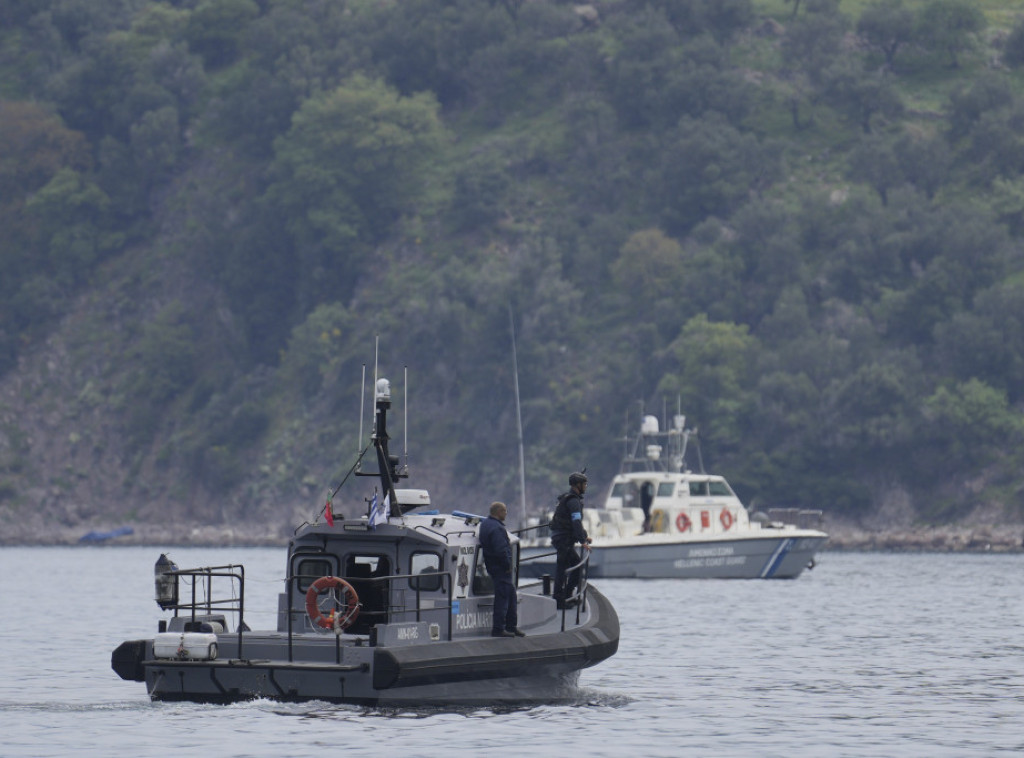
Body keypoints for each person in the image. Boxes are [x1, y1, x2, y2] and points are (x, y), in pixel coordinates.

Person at [478, 501, 524, 637]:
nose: (506, 513)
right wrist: (507, 566)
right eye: (504, 511)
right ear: (498, 512)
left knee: (511, 594)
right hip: (500, 568)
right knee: (502, 597)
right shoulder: (497, 528)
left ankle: (511, 626)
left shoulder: (485, 524)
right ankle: (498, 629)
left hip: (492, 566)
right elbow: (500, 550)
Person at [550, 472, 592, 609]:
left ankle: (566, 596)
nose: (586, 486)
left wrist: (584, 536)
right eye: (584, 484)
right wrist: (583, 541)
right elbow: (576, 521)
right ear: (577, 485)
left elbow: (575, 522)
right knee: (566, 569)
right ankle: (560, 599)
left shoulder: (569, 498)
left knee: (568, 567)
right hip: (563, 540)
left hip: (562, 538)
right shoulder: (573, 501)